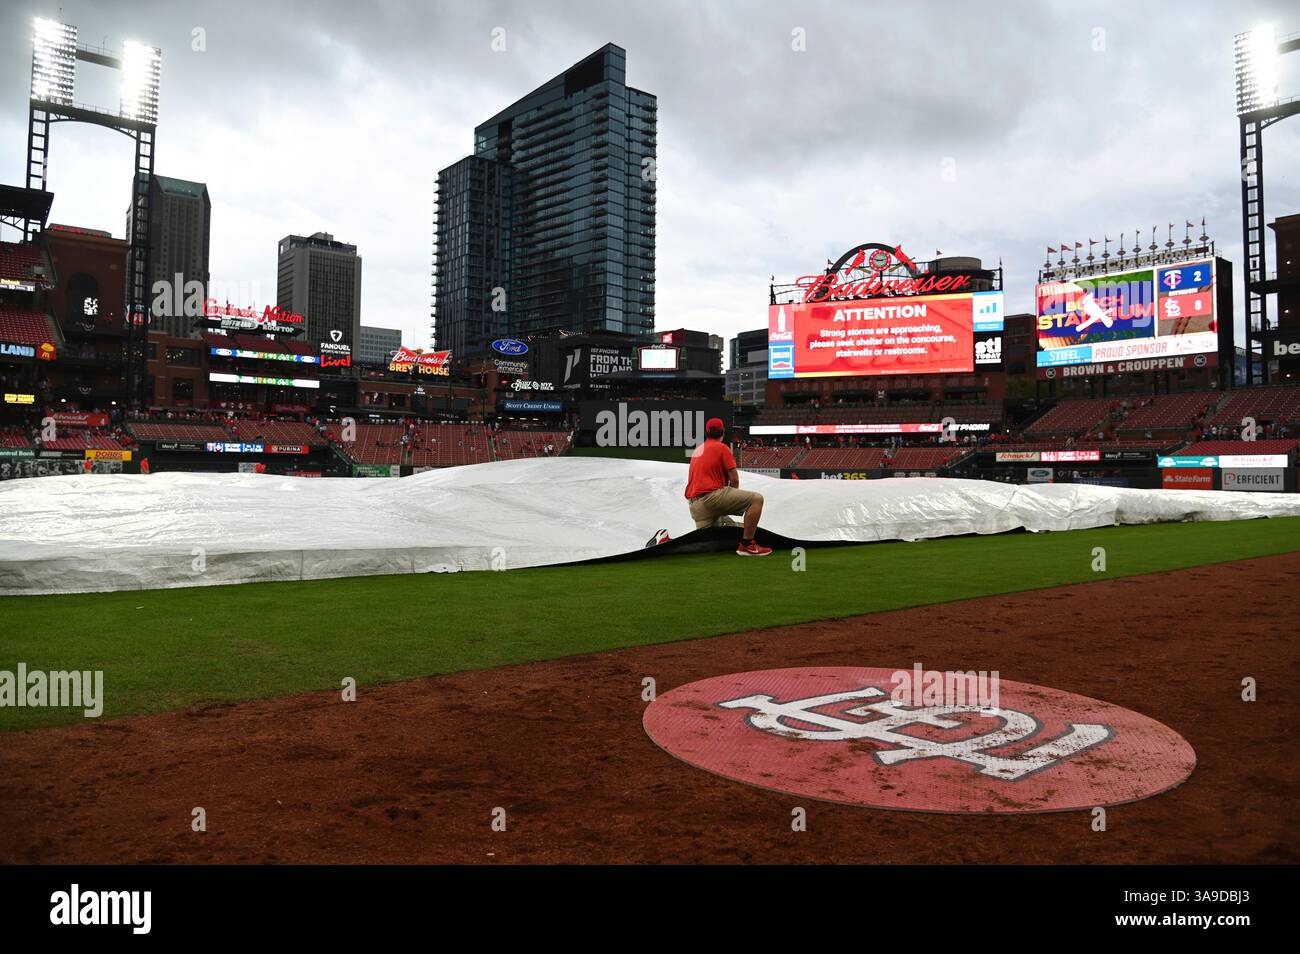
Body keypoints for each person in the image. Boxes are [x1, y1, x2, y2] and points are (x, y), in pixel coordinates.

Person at [684, 417, 771, 557]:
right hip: (711, 499)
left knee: (710, 541)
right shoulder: (722, 448)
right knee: (757, 500)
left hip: (695, 507)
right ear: (723, 432)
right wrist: (731, 503)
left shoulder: (698, 450)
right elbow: (734, 479)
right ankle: (747, 545)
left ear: (706, 433)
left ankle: (666, 540)